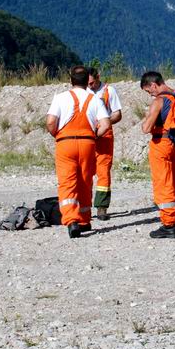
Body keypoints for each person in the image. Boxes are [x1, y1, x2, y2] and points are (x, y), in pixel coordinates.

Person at [45, 65, 110, 239]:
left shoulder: (60, 98)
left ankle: (71, 220)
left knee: (67, 182)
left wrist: (56, 134)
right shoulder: (95, 99)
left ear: (71, 80)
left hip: (65, 143)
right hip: (87, 143)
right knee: (85, 181)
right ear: (87, 81)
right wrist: (94, 136)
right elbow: (105, 124)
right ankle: (84, 219)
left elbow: (50, 122)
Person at [140, 71, 175, 239]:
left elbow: (146, 128)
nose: (150, 94)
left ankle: (169, 225)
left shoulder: (159, 101)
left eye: (149, 91)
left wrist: (147, 117)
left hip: (161, 144)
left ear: (154, 85)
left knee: (164, 184)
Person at [86, 67, 123, 221]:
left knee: (103, 171)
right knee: (85, 170)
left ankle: (102, 207)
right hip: (86, 134)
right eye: (87, 83)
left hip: (104, 136)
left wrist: (105, 122)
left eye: (92, 83)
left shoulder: (109, 91)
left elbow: (117, 114)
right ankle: (84, 207)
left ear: (98, 77)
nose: (90, 86)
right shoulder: (83, 91)